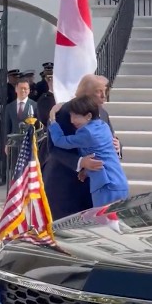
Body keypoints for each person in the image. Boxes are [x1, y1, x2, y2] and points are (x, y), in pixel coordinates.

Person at [45, 74, 120, 219]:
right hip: (67, 189)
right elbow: (54, 148)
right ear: (86, 92)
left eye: (105, 91)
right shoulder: (64, 112)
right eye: (99, 91)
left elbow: (110, 137)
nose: (104, 96)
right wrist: (81, 162)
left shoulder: (102, 113)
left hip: (97, 188)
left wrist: (117, 146)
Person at [48, 95, 130, 208]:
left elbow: (59, 141)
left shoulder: (87, 133)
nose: (72, 121)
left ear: (89, 116)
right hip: (119, 183)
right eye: (71, 116)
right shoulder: (103, 126)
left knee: (104, 223)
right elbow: (100, 155)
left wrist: (52, 118)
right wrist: (86, 171)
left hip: (106, 187)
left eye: (76, 116)